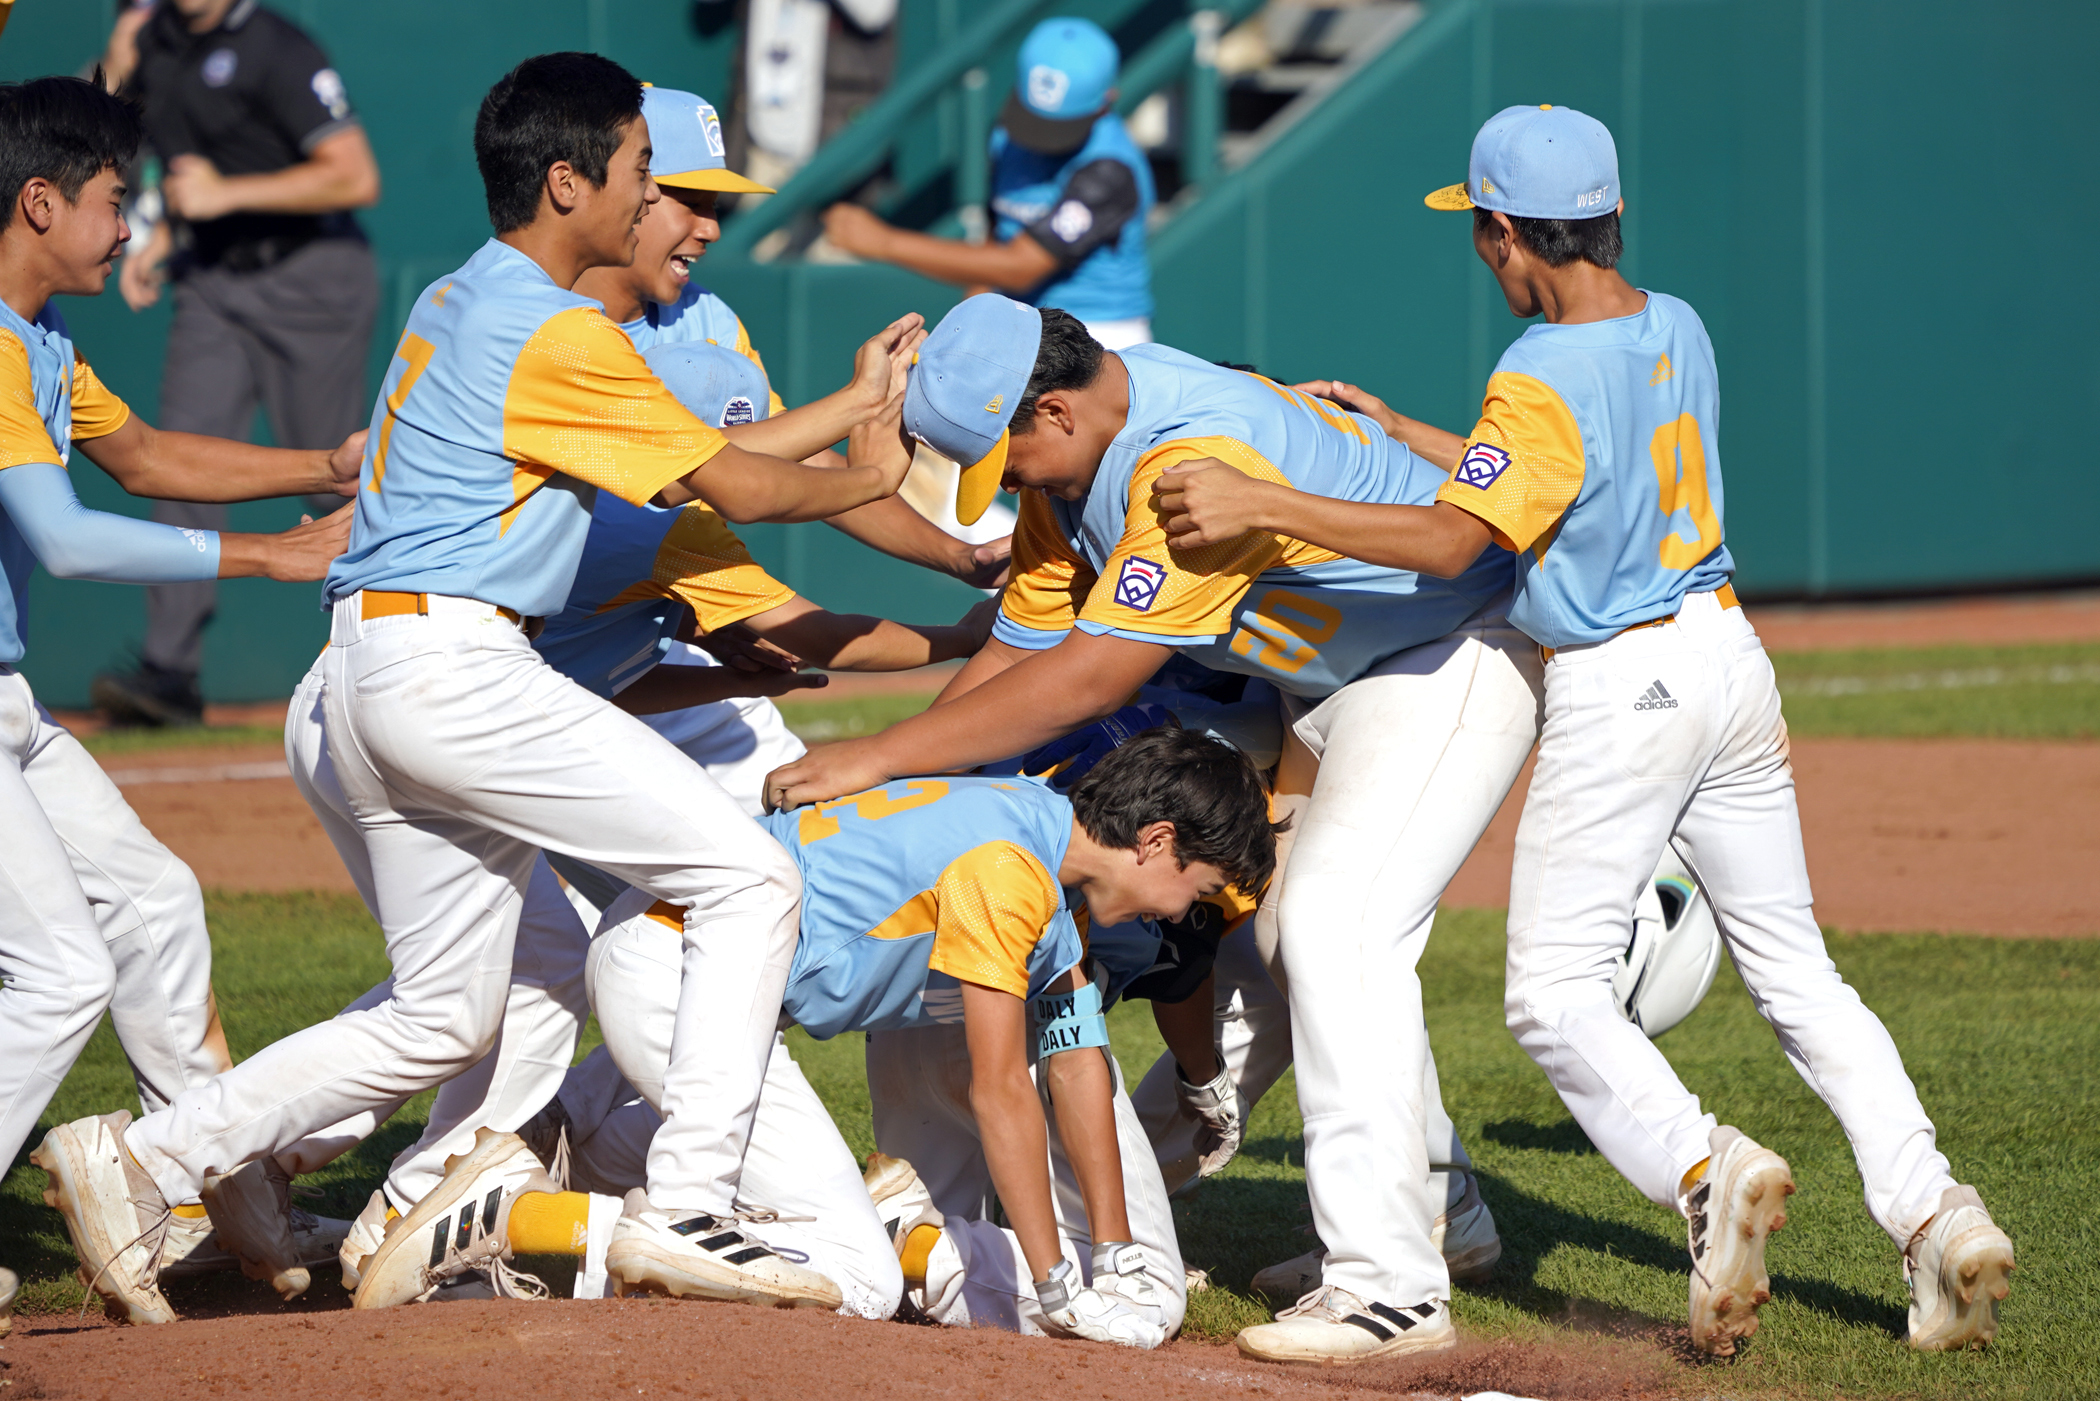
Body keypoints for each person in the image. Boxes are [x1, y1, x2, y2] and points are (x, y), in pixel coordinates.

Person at [34, 51, 918, 1326]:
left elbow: (704, 460)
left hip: (365, 673)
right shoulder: (557, 328)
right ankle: (686, 1209)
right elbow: (748, 491)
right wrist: (873, 459)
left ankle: (151, 1159)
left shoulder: (472, 294)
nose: (651, 194)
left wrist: (842, 414)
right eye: (637, 171)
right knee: (748, 876)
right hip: (454, 668)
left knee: (448, 1013)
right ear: (570, 183)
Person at [1149, 103, 2017, 1356]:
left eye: (1481, 231)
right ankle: (1936, 1214)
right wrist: (1410, 437)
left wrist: (1263, 498)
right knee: (1798, 972)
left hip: (1626, 689)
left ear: (1509, 232)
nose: (1481, 252)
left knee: (1553, 995)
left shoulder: (1539, 374)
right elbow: (1562, 483)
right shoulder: (1675, 324)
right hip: (1729, 661)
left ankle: (1704, 1174)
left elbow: (1462, 539)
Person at [763, 294, 1545, 1365]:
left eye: (1009, 456)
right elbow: (1016, 654)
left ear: (1053, 411)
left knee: (1328, 932)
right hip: (1325, 680)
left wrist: (878, 754)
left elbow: (1090, 678)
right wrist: (898, 772)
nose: (1013, 485)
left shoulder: (1183, 460)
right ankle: (1438, 1217)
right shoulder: (1081, 463)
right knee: (1283, 948)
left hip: (1447, 645)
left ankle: (1392, 1289)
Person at [282, 340, 989, 1304]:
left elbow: (595, 682)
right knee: (639, 935)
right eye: (750, 438)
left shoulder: (581, 512)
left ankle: (293, 1148)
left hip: (373, 699)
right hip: (448, 717)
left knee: (490, 978)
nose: (773, 459)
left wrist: (730, 675)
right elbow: (816, 634)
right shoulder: (678, 533)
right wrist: (961, 638)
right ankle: (489, 1201)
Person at [362, 729, 1271, 1349]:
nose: (1187, 913)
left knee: (640, 1155)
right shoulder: (1012, 870)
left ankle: (529, 1167)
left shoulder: (1033, 847)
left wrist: (1108, 1252)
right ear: (1156, 841)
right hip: (685, 977)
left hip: (689, 964)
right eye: (1199, 888)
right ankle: (521, 1225)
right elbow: (1003, 1090)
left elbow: (1075, 1069)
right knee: (858, 1275)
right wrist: (1056, 1286)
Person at [0, 73, 357, 1321]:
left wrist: (323, 468)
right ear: (38, 203)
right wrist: (270, 555)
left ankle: (208, 1199)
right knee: (54, 978)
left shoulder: (40, 342)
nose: (130, 228)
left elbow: (146, 459)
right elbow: (67, 539)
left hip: (7, 708)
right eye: (112, 203)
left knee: (154, 902)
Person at [579, 84, 1008, 590]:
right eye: (691, 202)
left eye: (714, 205)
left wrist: (956, 556)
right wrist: (858, 411)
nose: (711, 229)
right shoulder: (533, 324)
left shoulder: (707, 317)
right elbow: (681, 480)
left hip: (633, 606)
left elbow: (791, 449)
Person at [91, 0, 382, 726]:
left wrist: (225, 196)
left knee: (336, 476)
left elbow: (354, 176)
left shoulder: (276, 47)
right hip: (215, 282)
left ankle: (392, 643)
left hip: (311, 279)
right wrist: (115, 79)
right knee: (177, 461)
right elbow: (85, 149)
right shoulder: (149, 44)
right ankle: (168, 675)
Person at [821, 17, 1155, 353]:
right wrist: (964, 331)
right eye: (1034, 119)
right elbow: (998, 236)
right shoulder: (1008, 136)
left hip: (1098, 335)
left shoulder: (1110, 168)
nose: (1040, 139)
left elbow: (1021, 266)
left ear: (1107, 100)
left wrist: (884, 241)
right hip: (1019, 324)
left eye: (1059, 126)